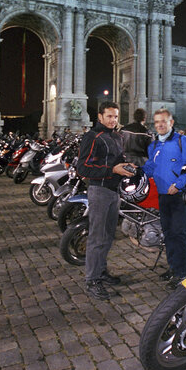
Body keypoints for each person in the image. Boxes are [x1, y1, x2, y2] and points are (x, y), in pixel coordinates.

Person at [75, 101, 135, 300]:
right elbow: (83, 168)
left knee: (108, 236)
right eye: (109, 116)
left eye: (116, 116)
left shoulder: (116, 136)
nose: (113, 120)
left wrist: (125, 165)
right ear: (99, 117)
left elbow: (116, 161)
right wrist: (112, 170)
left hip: (114, 191)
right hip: (99, 191)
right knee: (97, 237)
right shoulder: (92, 137)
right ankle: (92, 280)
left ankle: (101, 271)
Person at [142, 109, 186, 289]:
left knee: (179, 233)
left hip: (179, 195)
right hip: (163, 195)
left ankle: (181, 272)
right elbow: (151, 167)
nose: (159, 125)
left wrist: (178, 184)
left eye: (163, 121)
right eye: (157, 122)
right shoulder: (154, 145)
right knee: (167, 233)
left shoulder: (184, 142)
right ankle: (173, 268)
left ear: (171, 122)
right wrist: (136, 171)